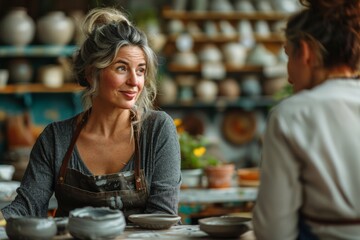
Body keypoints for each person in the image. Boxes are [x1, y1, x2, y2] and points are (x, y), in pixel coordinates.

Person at [0, 7, 181, 220]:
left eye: (140, 70)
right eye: (122, 68)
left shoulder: (157, 129)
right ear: (91, 72)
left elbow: (163, 216)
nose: (134, 82)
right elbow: (27, 208)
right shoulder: (56, 138)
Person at [253, 0, 360, 239]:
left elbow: (274, 232)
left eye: (289, 56)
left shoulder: (291, 115)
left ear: (306, 52)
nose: (289, 77)